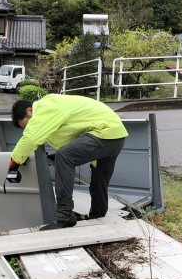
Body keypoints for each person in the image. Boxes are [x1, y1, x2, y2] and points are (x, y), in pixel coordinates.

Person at [7, 94, 128, 229]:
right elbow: (73, 134)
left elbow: (31, 137)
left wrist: (14, 164)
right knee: (98, 182)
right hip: (116, 135)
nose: (28, 128)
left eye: (26, 124)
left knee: (64, 156)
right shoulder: (57, 104)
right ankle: (97, 220)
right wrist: (56, 156)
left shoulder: (45, 106)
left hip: (104, 132)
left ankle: (65, 214)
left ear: (30, 110)